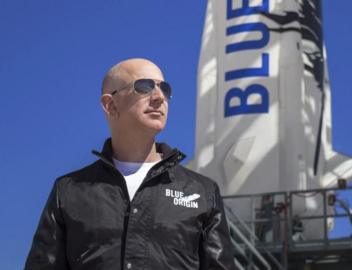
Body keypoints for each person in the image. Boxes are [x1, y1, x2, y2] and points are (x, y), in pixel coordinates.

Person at [24, 58, 235, 270]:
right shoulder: (69, 192)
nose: (159, 97)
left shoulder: (202, 192)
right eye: (144, 86)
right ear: (110, 105)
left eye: (165, 88)